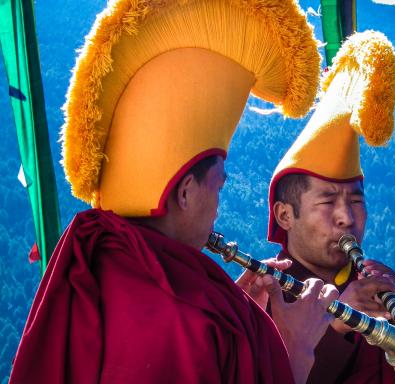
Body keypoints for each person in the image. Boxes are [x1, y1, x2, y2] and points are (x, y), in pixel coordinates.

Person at [9, 1, 339, 383]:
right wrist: (294, 350)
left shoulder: (97, 258)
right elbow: (182, 333)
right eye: (218, 186)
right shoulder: (189, 320)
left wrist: (236, 320)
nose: (217, 210)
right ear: (184, 192)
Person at [264, 31, 395, 383]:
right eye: (327, 201)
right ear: (285, 214)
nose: (347, 217)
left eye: (356, 200)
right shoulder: (267, 299)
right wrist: (337, 325)